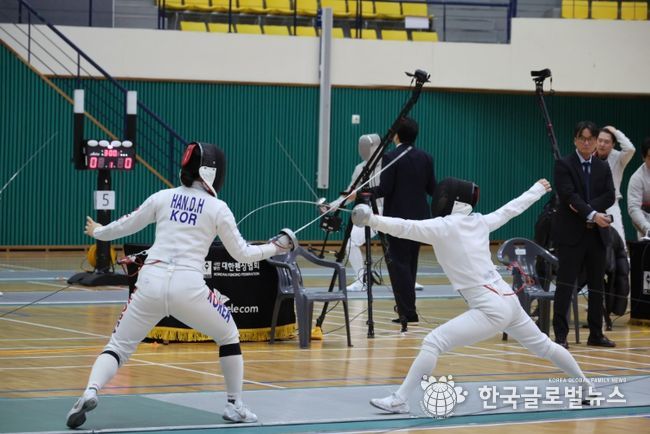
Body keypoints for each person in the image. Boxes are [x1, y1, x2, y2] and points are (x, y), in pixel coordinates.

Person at [65, 142, 296, 428]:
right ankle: (234, 405)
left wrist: (99, 231)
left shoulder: (163, 197)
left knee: (119, 346)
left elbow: (127, 223)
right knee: (228, 334)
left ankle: (90, 391)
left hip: (149, 283)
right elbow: (242, 254)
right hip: (189, 288)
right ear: (213, 173)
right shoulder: (218, 208)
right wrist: (277, 246)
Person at [351, 178, 595, 413]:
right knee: (545, 346)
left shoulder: (443, 227)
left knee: (433, 342)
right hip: (509, 300)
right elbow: (510, 209)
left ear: (451, 200)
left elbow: (405, 227)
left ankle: (400, 399)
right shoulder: (479, 221)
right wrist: (537, 190)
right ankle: (586, 386)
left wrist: (371, 219)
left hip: (490, 307)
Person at [327, 133, 423, 292]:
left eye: (367, 146)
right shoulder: (360, 169)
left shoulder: (391, 163)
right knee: (351, 242)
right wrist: (333, 205)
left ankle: (409, 281)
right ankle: (361, 280)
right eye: (362, 146)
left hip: (393, 211)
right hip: (370, 214)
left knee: (403, 246)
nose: (363, 150)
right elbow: (351, 192)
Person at [553, 121, 616, 348]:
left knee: (597, 285)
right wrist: (592, 213)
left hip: (596, 234)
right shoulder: (564, 165)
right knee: (565, 284)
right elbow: (568, 195)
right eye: (582, 138)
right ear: (575, 140)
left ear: (596, 141)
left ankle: (596, 334)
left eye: (591, 139)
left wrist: (590, 211)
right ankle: (561, 335)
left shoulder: (602, 166)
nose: (587, 143)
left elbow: (610, 195)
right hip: (571, 235)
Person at [368, 117, 436, 324]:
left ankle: (407, 312)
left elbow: (385, 189)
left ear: (396, 135)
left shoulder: (391, 157)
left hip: (398, 218)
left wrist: (363, 193)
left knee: (399, 264)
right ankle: (408, 310)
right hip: (420, 219)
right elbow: (432, 188)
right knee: (410, 263)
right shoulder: (426, 157)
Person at [594, 125, 635, 244]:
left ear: (613, 144)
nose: (602, 144)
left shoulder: (619, 158)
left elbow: (630, 149)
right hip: (591, 204)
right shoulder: (588, 157)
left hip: (611, 204)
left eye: (606, 142)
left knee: (619, 241)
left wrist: (615, 132)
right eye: (600, 140)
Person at [627, 138, 650, 239]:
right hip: (646, 220)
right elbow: (634, 208)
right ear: (643, 157)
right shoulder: (637, 178)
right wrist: (647, 228)